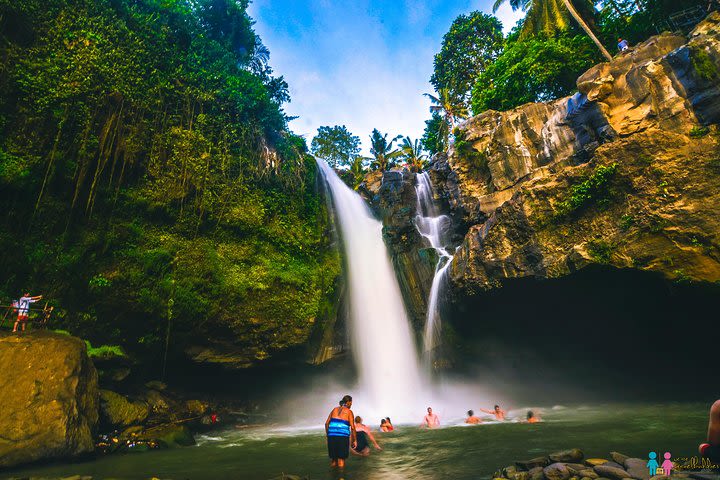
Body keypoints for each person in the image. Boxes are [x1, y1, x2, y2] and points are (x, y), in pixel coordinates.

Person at [325, 395, 356, 468]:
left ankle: (333, 476)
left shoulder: (334, 409)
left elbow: (326, 423)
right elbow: (353, 427)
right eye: (351, 403)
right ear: (348, 402)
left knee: (333, 460)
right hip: (342, 437)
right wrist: (354, 440)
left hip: (331, 436)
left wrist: (328, 435)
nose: (351, 404)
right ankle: (341, 477)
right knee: (341, 460)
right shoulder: (349, 412)